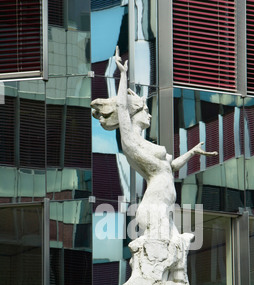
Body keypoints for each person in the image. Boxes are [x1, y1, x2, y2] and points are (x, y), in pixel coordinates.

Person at [91, 47, 217, 240]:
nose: (149, 115)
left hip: (164, 206)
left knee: (177, 252)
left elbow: (169, 167)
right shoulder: (130, 140)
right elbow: (122, 106)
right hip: (154, 207)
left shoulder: (143, 142)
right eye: (146, 110)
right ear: (135, 112)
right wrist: (122, 74)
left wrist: (192, 153)